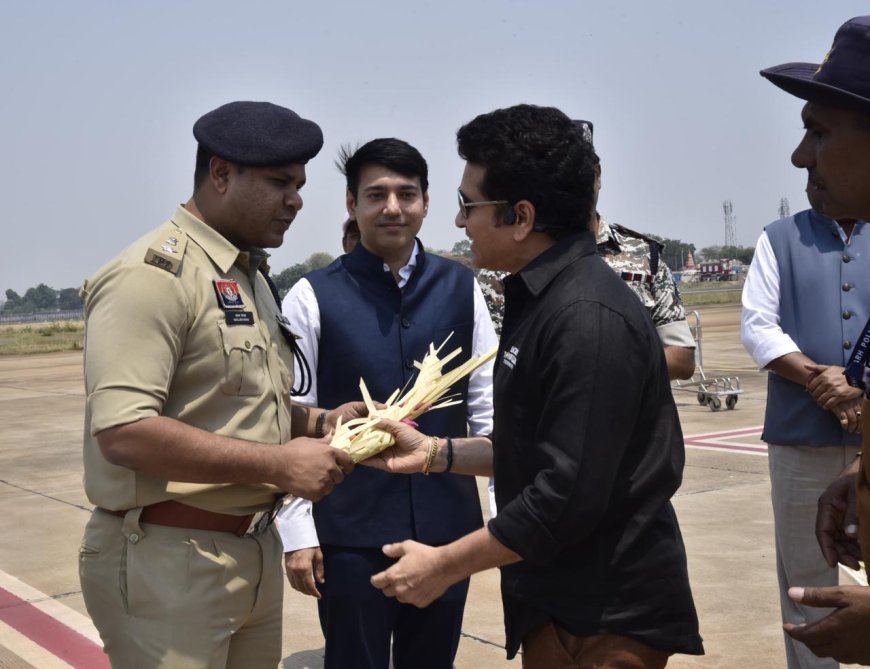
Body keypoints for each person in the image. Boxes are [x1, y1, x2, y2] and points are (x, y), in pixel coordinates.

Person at [363, 104, 703, 668]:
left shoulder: (585, 317)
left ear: (520, 217)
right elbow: (537, 448)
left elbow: (564, 496)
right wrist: (434, 453)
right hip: (561, 602)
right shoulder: (544, 299)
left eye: (469, 205)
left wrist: (443, 565)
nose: (460, 222)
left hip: (602, 619)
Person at [77, 101, 361, 669]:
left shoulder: (246, 277)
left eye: (299, 185)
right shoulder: (153, 277)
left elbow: (239, 405)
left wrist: (321, 423)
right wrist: (279, 465)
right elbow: (124, 432)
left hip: (250, 550)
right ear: (221, 173)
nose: (296, 200)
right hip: (168, 561)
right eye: (280, 182)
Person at [275, 138, 497, 669]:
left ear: (426, 202)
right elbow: (288, 417)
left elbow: (488, 408)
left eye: (407, 194)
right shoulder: (310, 296)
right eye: (376, 195)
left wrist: (502, 521)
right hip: (349, 534)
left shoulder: (462, 287)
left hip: (447, 531)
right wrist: (298, 532)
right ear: (352, 204)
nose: (393, 208)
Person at [741, 16, 870, 668]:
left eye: (819, 132)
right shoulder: (780, 237)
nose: (800, 156)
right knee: (807, 581)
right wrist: (825, 380)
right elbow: (757, 325)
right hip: (804, 432)